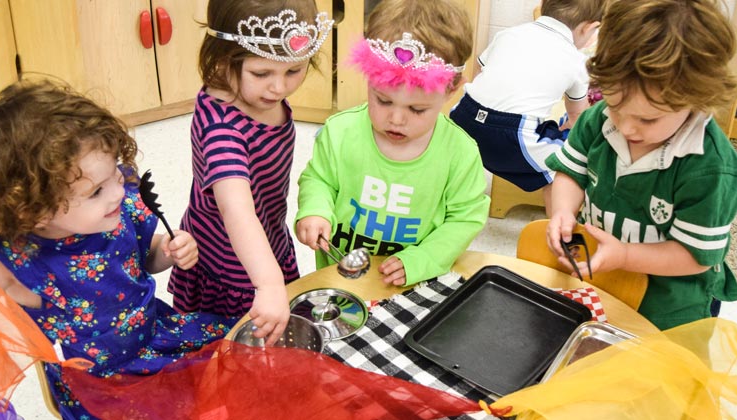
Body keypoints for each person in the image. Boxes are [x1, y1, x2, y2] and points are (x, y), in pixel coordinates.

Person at [0, 79, 237, 419]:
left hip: (157, 337)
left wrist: (171, 250)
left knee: (239, 363)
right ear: (31, 209)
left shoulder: (119, 209)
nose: (117, 193)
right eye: (95, 192)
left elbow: (148, 258)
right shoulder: (14, 262)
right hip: (102, 385)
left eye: (115, 175)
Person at [544, 0, 737, 330]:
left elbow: (694, 257)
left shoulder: (711, 169)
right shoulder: (597, 120)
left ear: (698, 99)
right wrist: (563, 211)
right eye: (613, 105)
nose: (625, 128)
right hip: (602, 283)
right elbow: (570, 173)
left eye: (647, 119)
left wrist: (624, 255)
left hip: (668, 311)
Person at [168, 0, 334, 339]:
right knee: (229, 350)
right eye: (262, 74)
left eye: (294, 70)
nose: (279, 88)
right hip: (230, 261)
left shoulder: (260, 95)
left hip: (268, 237)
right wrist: (269, 282)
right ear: (223, 58)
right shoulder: (222, 130)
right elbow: (237, 209)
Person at [295, 0, 490, 287]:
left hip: (414, 281)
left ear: (451, 88)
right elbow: (319, 179)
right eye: (383, 100)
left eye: (417, 109)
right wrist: (314, 209)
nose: (396, 119)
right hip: (340, 277)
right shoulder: (340, 132)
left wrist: (422, 259)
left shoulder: (460, 153)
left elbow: (464, 219)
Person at [450, 0, 605, 213]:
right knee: (565, 166)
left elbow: (480, 72)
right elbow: (579, 117)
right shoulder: (576, 60)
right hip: (511, 134)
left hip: (462, 117)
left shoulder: (508, 34)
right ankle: (559, 231)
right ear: (588, 28)